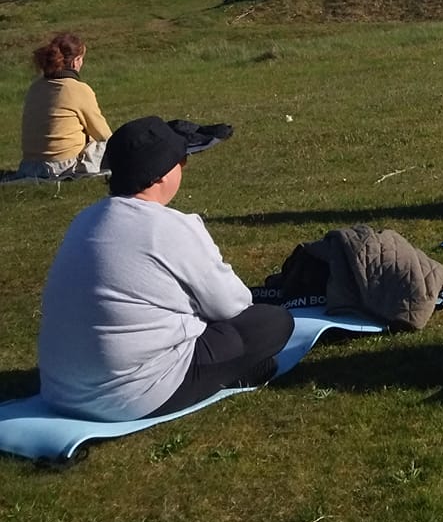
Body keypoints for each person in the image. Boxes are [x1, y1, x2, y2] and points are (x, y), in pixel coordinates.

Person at [36, 116, 294, 421]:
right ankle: (241, 370)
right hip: (131, 395)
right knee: (273, 322)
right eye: (180, 161)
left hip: (60, 390)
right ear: (159, 174)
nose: (183, 167)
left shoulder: (84, 221)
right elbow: (234, 305)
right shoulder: (169, 227)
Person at [15, 31, 112, 181]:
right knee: (115, 145)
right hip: (62, 167)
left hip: (29, 166)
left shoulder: (35, 87)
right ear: (75, 61)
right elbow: (103, 134)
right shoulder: (77, 89)